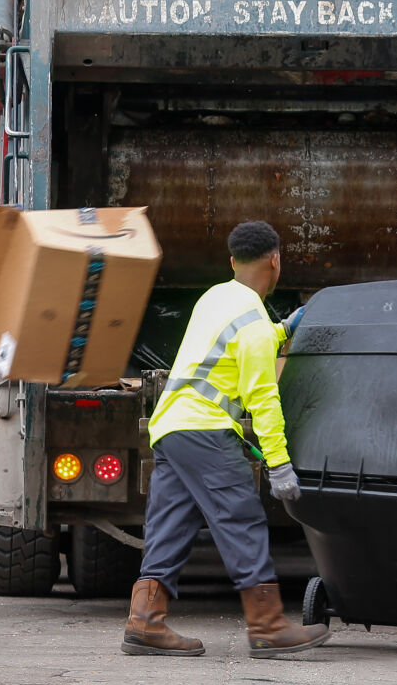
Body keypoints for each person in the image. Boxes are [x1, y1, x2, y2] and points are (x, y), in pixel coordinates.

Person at [123, 220, 330, 659]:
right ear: (275, 260)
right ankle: (268, 625)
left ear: (233, 262)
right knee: (241, 517)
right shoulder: (254, 321)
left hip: (171, 427)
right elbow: (263, 399)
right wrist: (280, 464)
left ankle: (145, 621)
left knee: (170, 524)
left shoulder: (216, 297)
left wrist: (283, 330)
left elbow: (236, 344)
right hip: (205, 430)